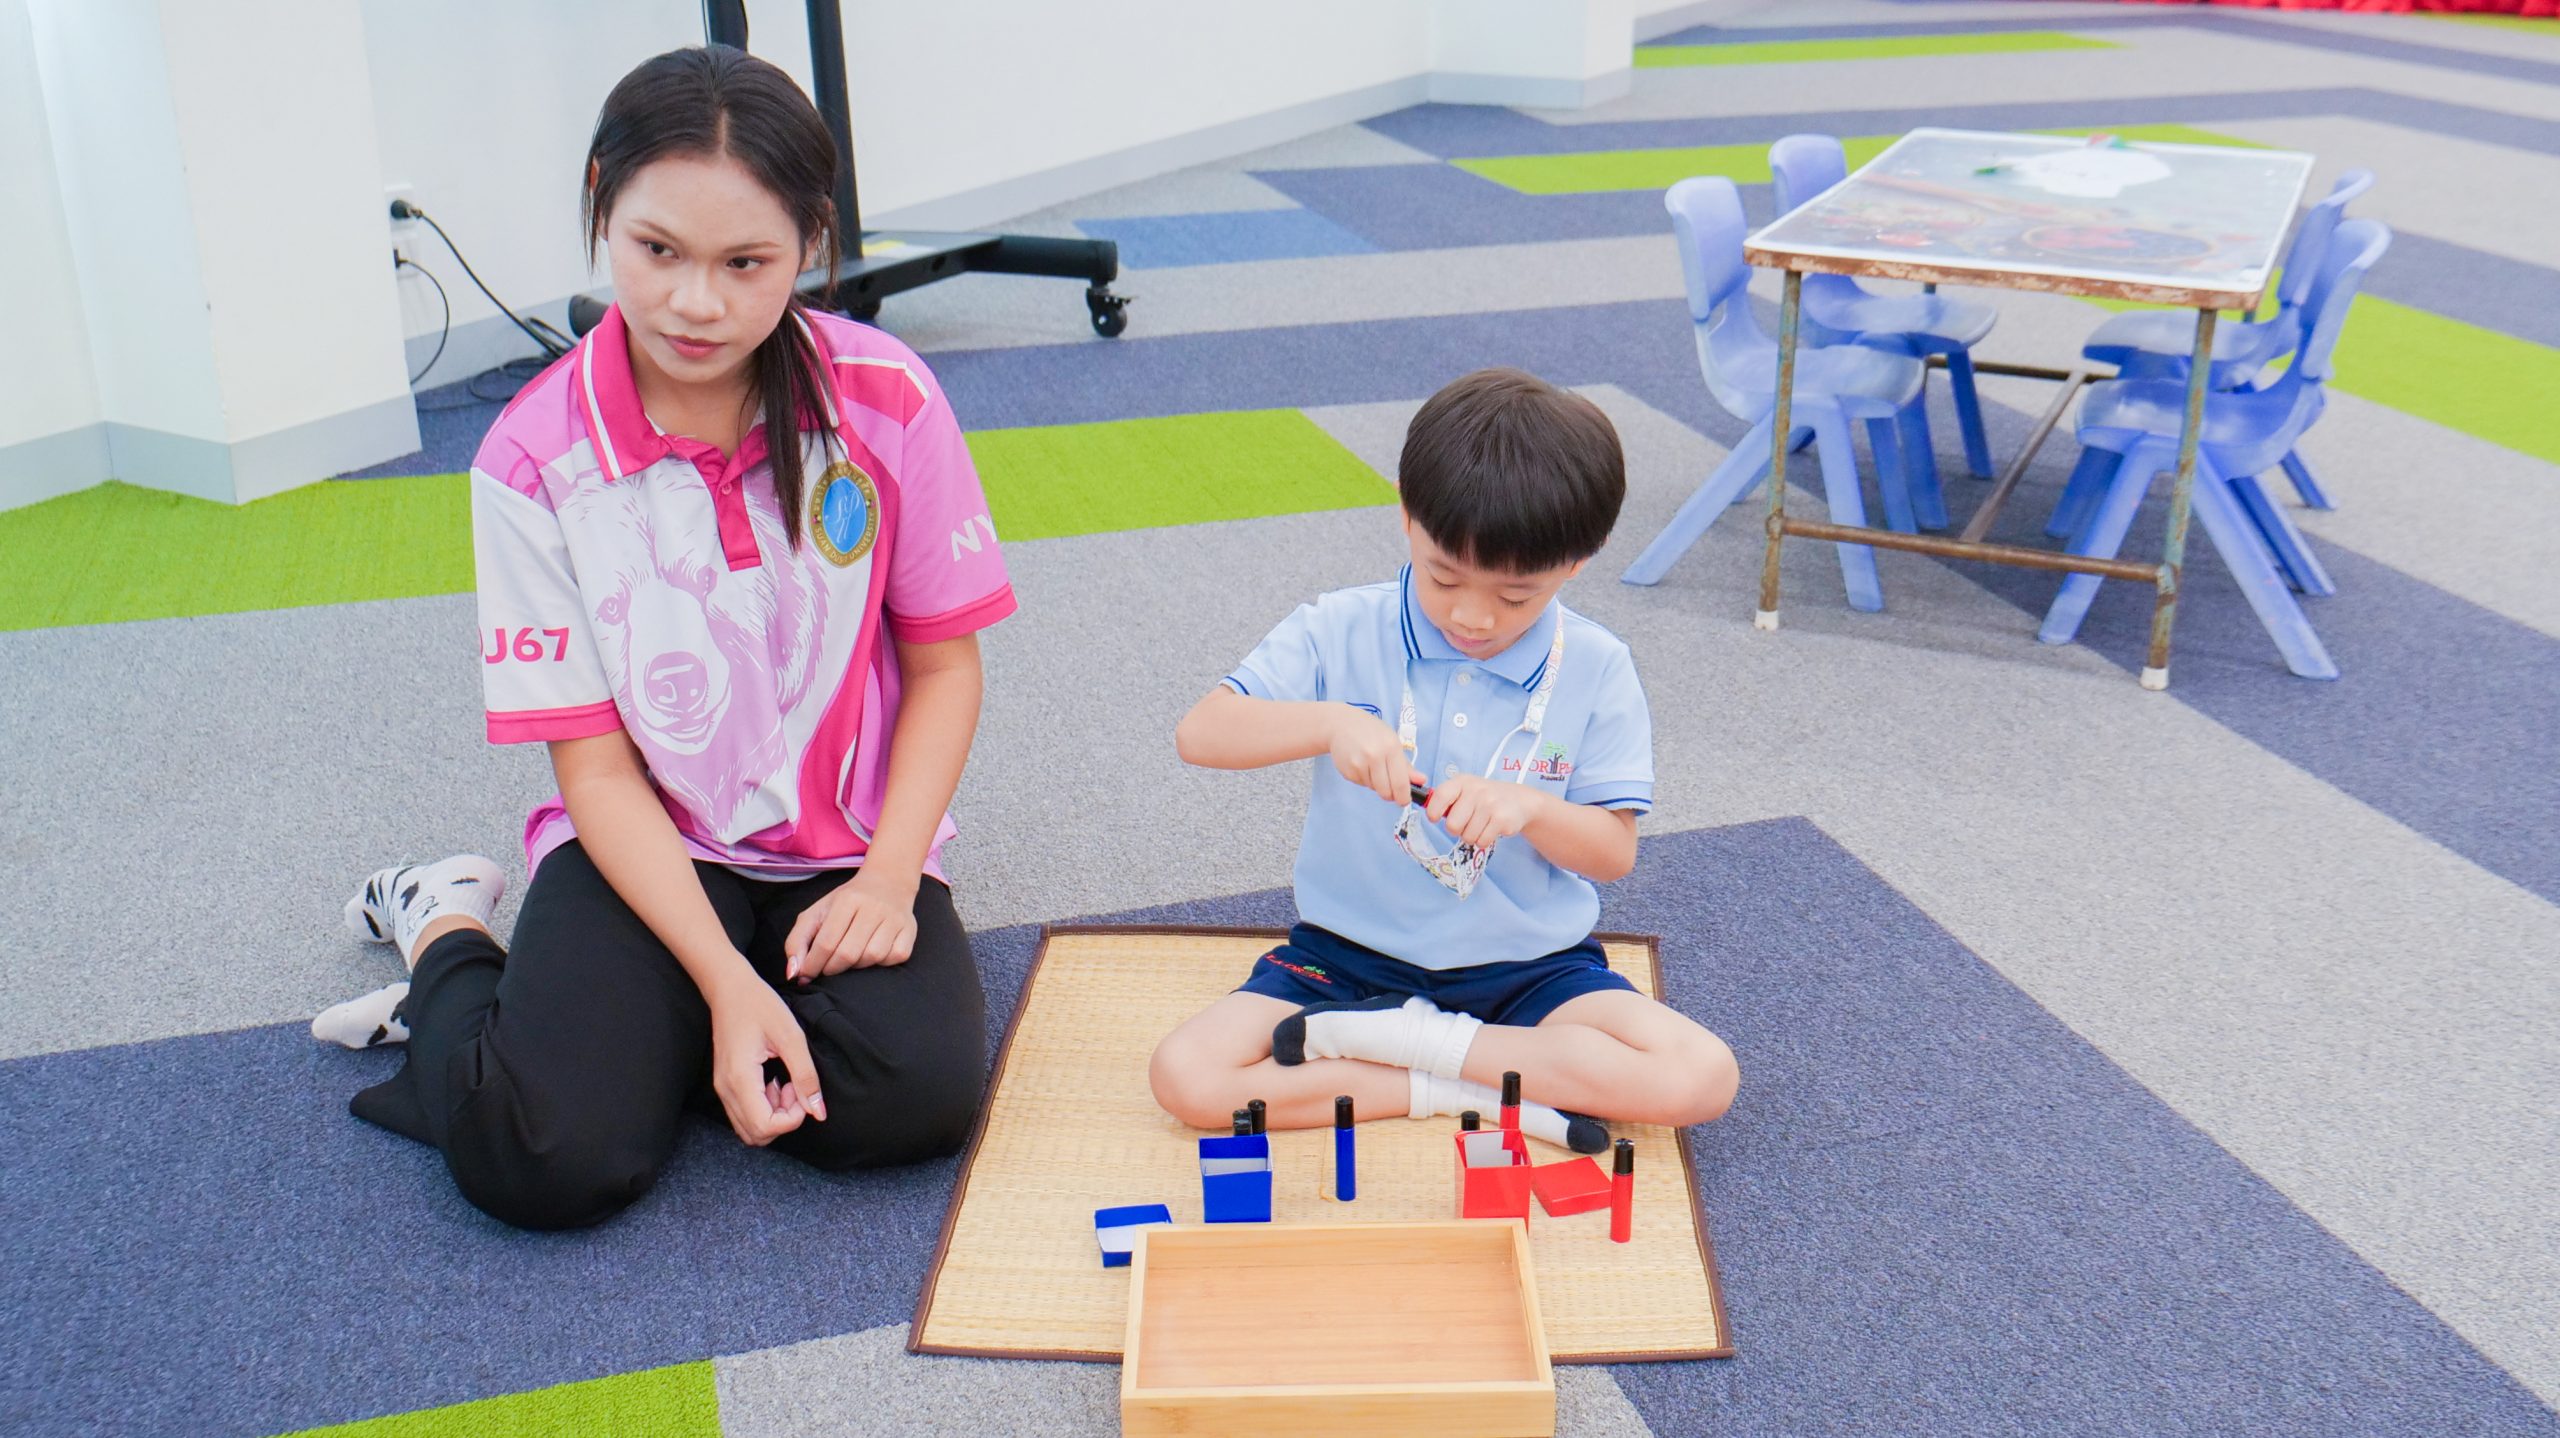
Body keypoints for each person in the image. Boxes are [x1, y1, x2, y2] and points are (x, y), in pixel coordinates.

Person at [310, 46, 1015, 1230]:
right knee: (543, 1157)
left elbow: (945, 664)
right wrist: (726, 983)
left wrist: (893, 874)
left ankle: (609, 1040)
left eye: (747, 263)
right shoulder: (531, 458)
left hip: (840, 841)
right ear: (601, 204)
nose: (697, 303)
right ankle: (445, 928)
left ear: (811, 241)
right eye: (657, 250)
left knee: (914, 1100)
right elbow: (593, 770)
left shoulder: (888, 397)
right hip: (649, 836)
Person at [1149, 368, 1737, 1149]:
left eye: (1516, 596)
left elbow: (1612, 854)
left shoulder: (1598, 666)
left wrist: (1530, 810)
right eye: (1443, 575)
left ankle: (1395, 1046)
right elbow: (1201, 734)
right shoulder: (1339, 626)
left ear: (1580, 560)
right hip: (1347, 959)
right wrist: (1329, 724)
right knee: (1186, 1077)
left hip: (1531, 968)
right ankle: (1459, 1084)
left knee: (1701, 1076)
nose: (1473, 615)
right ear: (1406, 513)